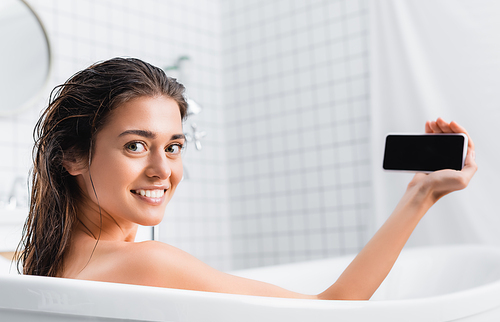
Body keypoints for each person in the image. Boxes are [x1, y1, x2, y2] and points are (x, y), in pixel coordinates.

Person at [16, 57, 477, 300]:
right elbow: (334, 308)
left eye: (173, 146)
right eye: (136, 145)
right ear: (73, 157)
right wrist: (422, 194)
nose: (163, 170)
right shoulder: (146, 264)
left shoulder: (47, 264)